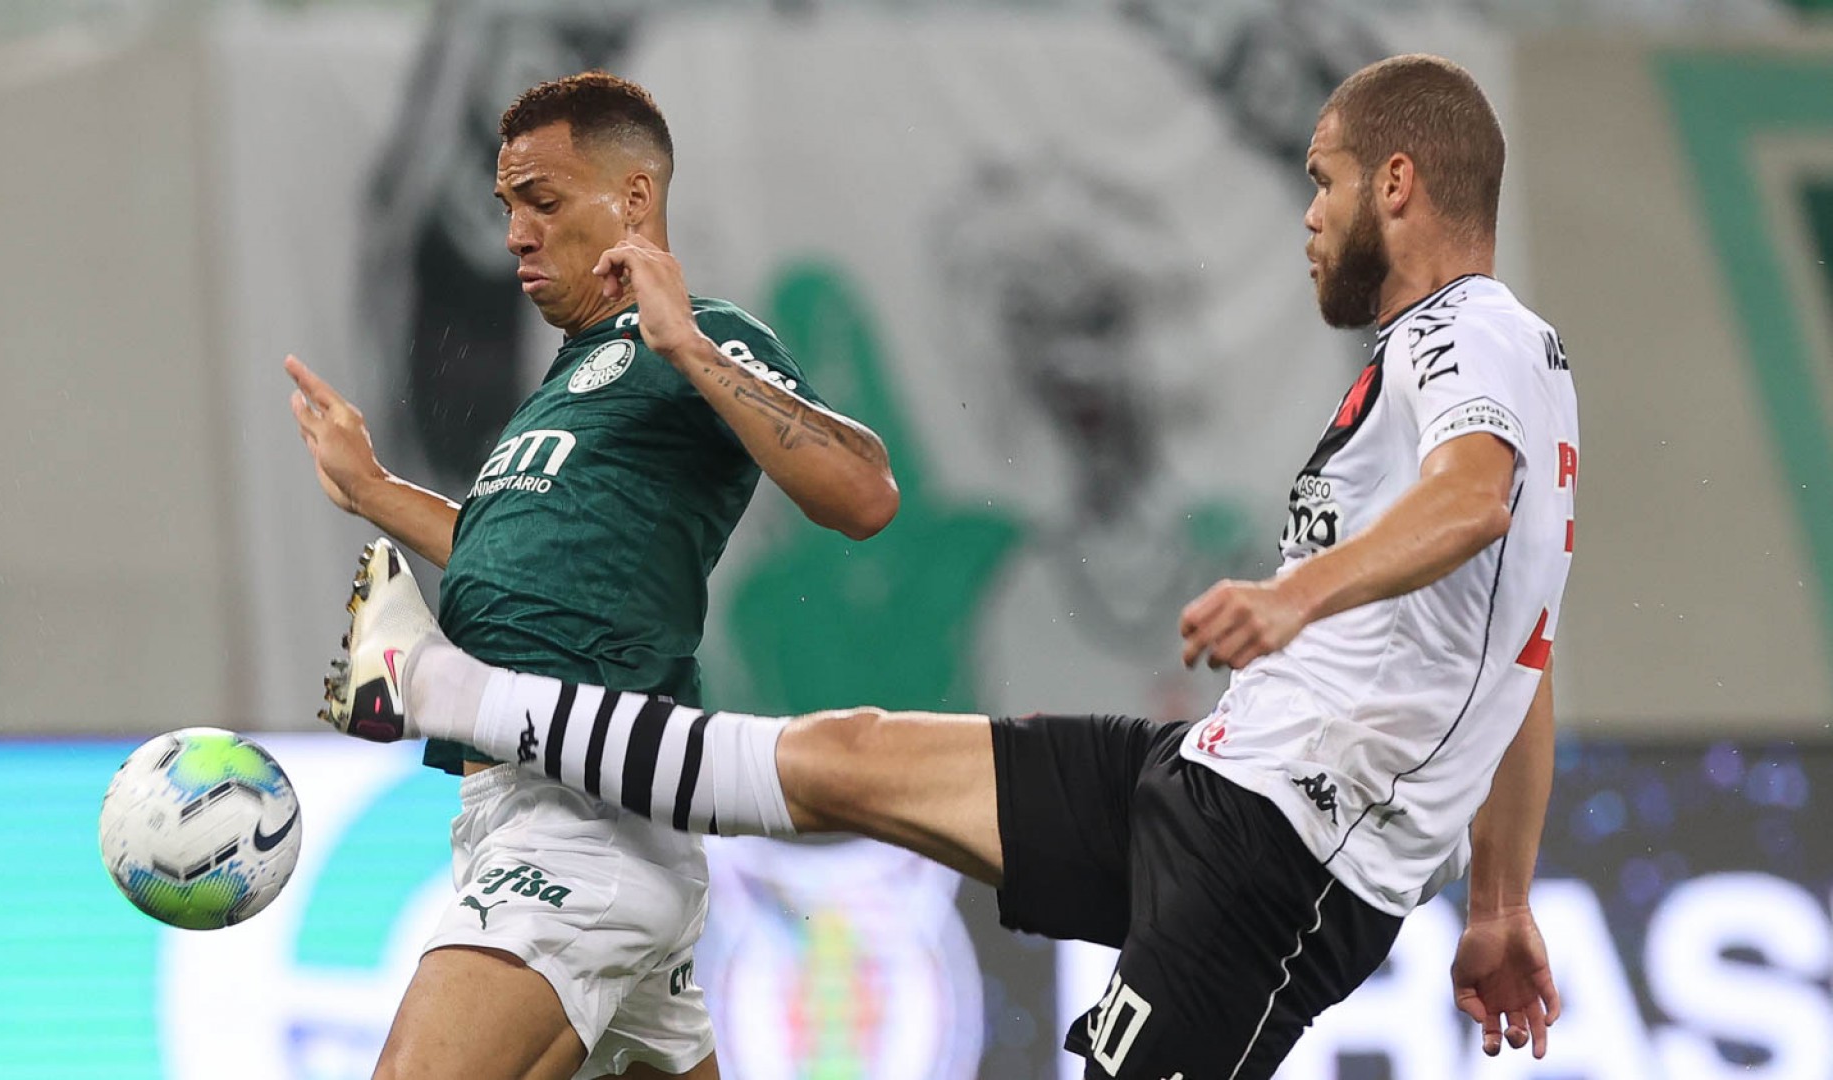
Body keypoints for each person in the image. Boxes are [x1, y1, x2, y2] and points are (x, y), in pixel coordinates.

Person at [324, 53, 1573, 1079]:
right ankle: (446, 690)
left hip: (1281, 863)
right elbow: (1520, 654)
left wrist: (1293, 593)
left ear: (1397, 183)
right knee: (851, 757)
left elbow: (1472, 498)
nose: (1309, 213)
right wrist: (1500, 904)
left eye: (1326, 181)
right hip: (1205, 781)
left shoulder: (1474, 332)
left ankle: (440, 689)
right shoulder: (1456, 359)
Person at [288, 72, 898, 1080]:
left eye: (542, 201)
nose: (515, 235)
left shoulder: (702, 338)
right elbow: (516, 560)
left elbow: (865, 493)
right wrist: (373, 490)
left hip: (582, 818)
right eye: (507, 207)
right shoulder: (566, 384)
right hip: (525, 816)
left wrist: (687, 343)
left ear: (634, 199)